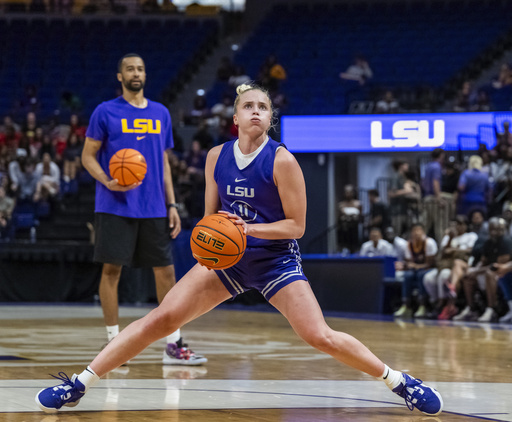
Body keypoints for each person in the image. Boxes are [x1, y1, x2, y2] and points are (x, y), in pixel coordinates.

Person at [36, 83, 443, 416]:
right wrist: (208, 242)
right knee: (162, 318)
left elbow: (297, 227)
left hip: (275, 260)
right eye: (248, 106)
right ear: (235, 117)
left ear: (270, 118)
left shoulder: (282, 161)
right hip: (227, 260)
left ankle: (399, 381)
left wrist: (247, 229)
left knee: (320, 336)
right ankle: (79, 384)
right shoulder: (216, 156)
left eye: (263, 107)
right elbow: (209, 218)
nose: (256, 112)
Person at [80, 53, 205, 365]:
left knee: (166, 272)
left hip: (153, 206)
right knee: (111, 271)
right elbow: (87, 155)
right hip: (114, 205)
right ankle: (113, 344)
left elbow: (163, 163)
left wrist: (172, 203)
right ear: (120, 76)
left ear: (145, 75)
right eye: (129, 69)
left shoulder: (160, 113)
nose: (135, 73)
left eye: (140, 69)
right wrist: (107, 181)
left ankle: (174, 345)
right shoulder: (105, 111)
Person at [454, 217, 512, 322]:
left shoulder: (506, 242)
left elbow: (498, 267)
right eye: (494, 229)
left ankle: (491, 309)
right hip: (488, 271)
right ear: (489, 229)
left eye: (500, 229)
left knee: (490, 274)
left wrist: (476, 271)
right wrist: (473, 270)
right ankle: (471, 308)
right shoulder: (488, 242)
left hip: (500, 273)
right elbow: (483, 261)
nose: (496, 232)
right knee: (468, 277)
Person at [393, 223, 438, 319]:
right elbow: (409, 262)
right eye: (414, 230)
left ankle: (423, 306)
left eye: (419, 230)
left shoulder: (429, 242)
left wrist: (416, 266)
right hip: (416, 269)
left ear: (423, 232)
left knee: (421, 275)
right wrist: (406, 265)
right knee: (407, 275)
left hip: (430, 269)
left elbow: (430, 263)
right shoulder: (409, 244)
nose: (416, 233)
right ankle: (406, 305)